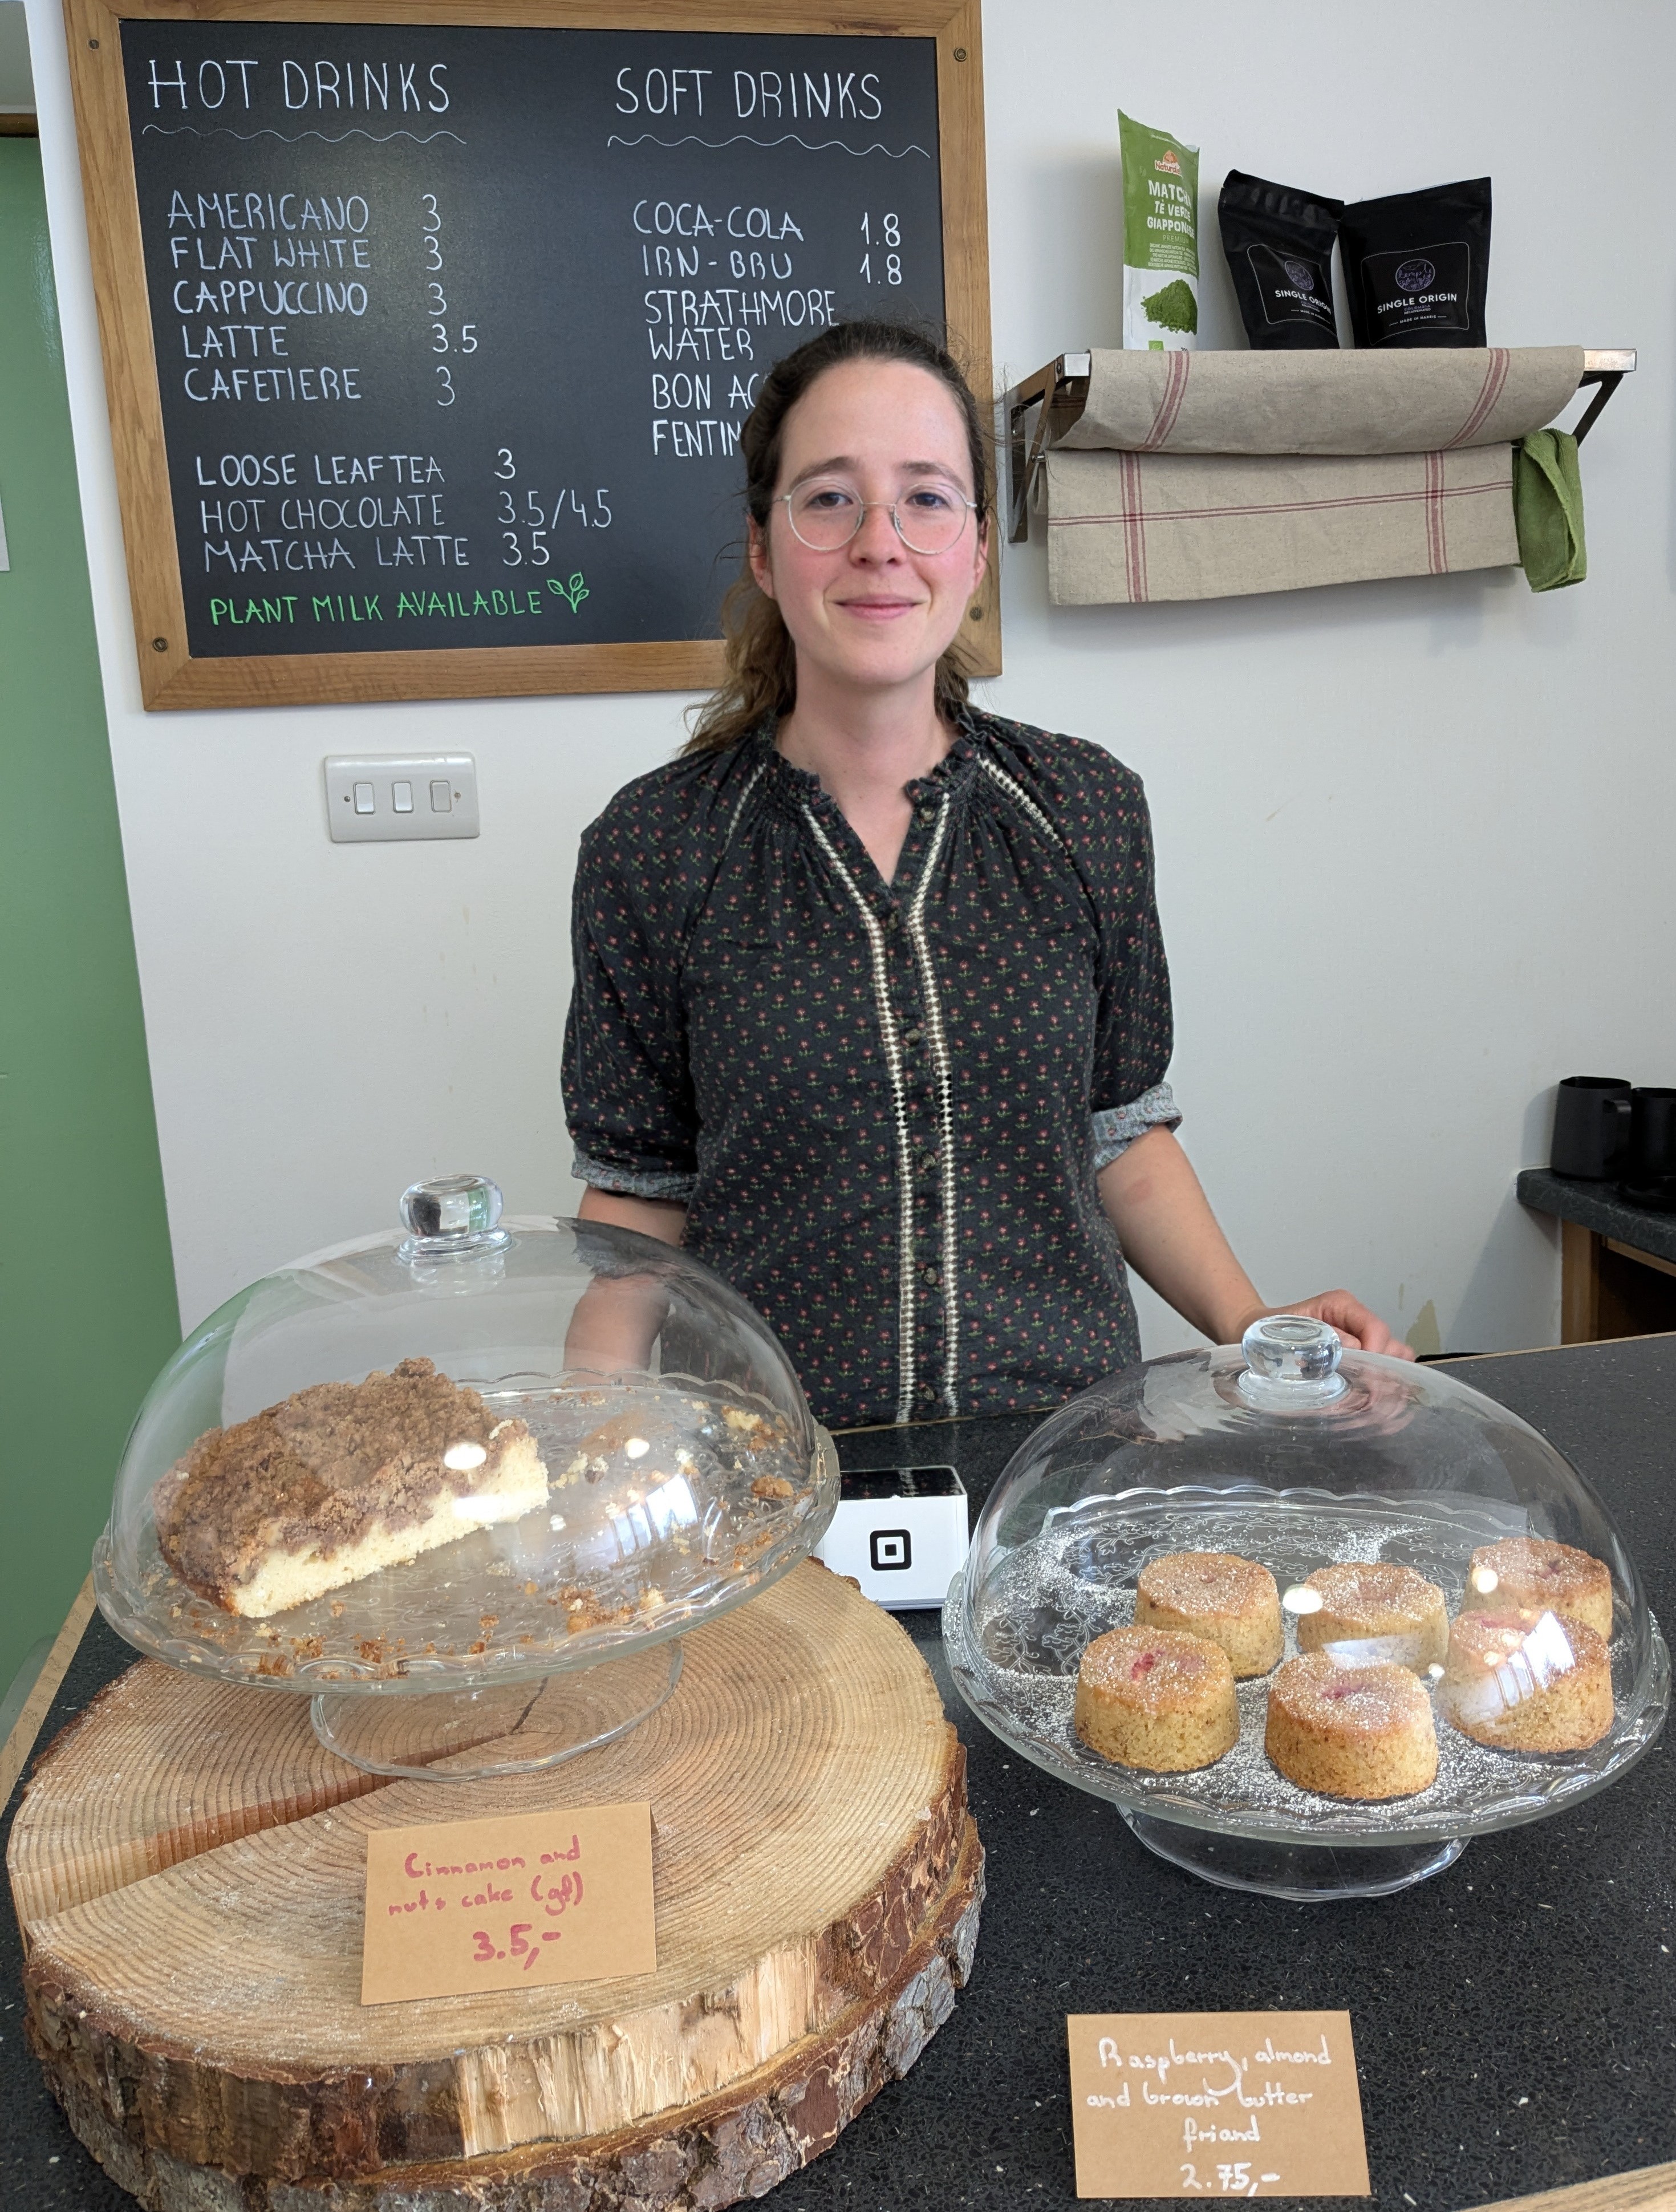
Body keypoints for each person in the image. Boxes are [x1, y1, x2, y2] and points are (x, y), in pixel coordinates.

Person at [562, 319, 1410, 1427]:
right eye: (829, 497)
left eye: (926, 497)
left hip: (1063, 1460)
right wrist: (584, 1454)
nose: (880, 540)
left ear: (973, 547)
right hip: (773, 1482)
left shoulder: (1084, 809)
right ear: (765, 550)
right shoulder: (656, 848)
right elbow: (636, 1217)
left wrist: (1256, 1326)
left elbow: (1123, 1135)